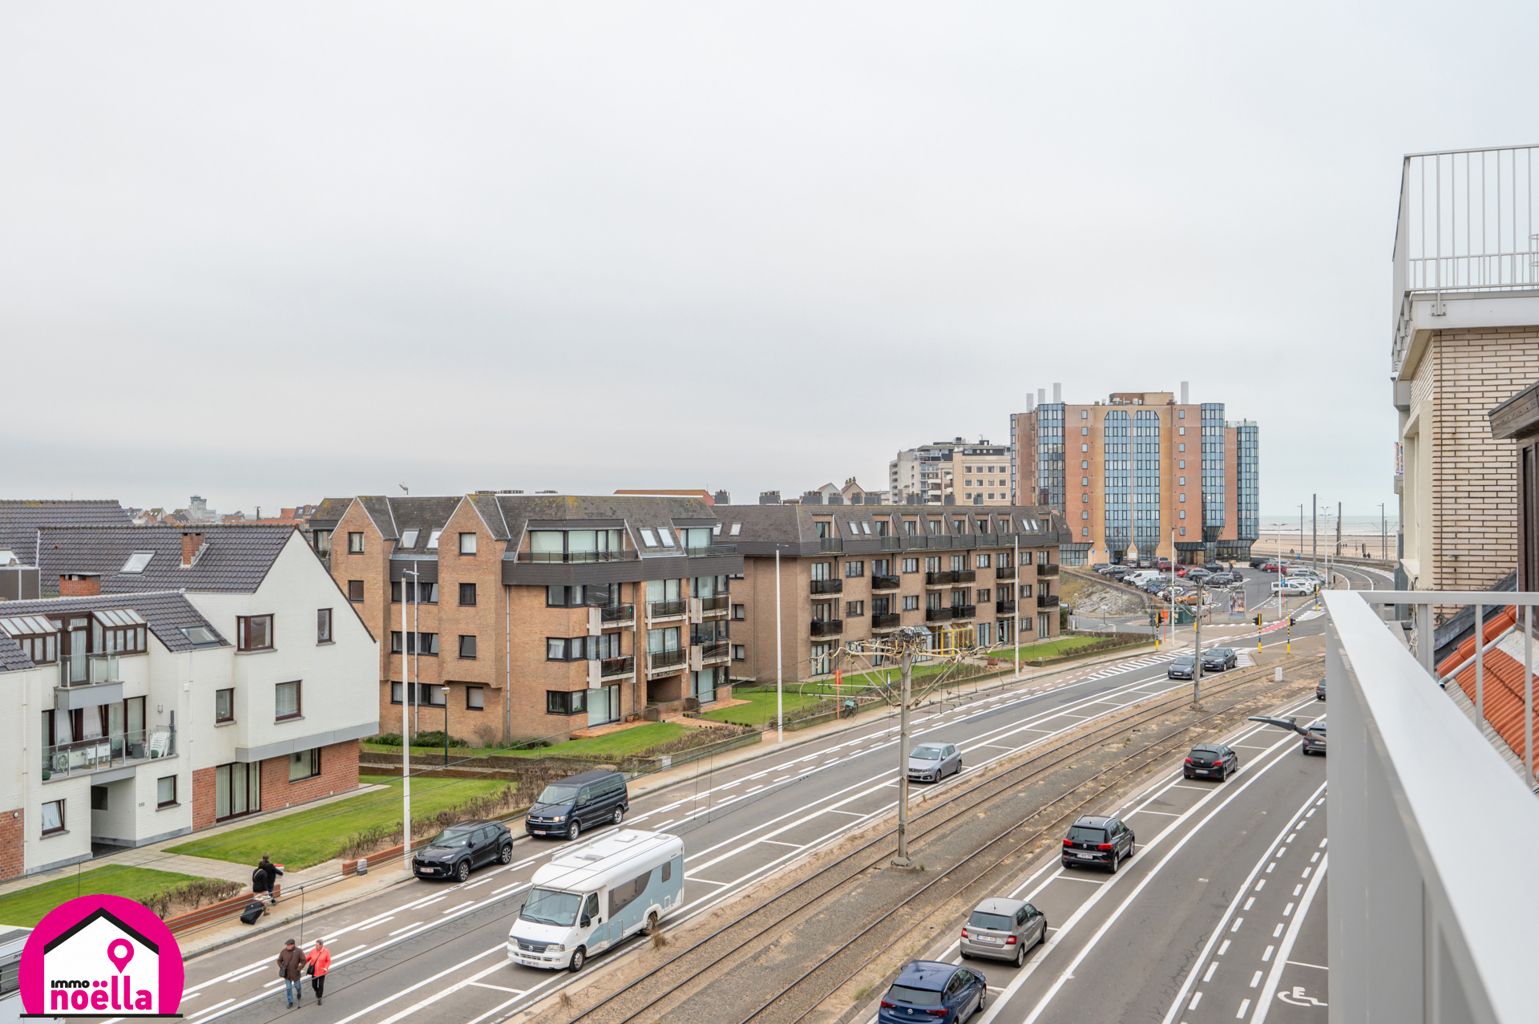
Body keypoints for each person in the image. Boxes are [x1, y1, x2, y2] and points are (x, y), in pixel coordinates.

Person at [276, 939, 304, 1009]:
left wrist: (299, 968)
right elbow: (279, 960)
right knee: (288, 988)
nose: (287, 946)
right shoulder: (283, 952)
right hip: (287, 975)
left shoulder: (299, 951)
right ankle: (290, 1001)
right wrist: (282, 967)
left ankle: (299, 992)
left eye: (288, 945)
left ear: (293, 945)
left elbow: (303, 960)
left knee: (298, 986)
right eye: (287, 945)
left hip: (295, 974)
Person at [306, 939, 331, 1006]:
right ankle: (317, 992)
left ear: (321, 945)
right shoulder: (313, 951)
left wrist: (326, 968)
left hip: (322, 972)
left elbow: (328, 961)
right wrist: (302, 961)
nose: (316, 946)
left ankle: (319, 998)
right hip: (314, 972)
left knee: (321, 985)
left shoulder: (326, 952)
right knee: (313, 985)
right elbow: (307, 958)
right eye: (315, 945)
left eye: (317, 945)